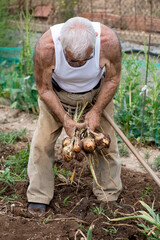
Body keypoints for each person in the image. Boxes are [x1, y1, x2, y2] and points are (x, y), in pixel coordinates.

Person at [27, 17, 122, 214]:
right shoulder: (47, 47)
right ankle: (38, 196)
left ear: (95, 41)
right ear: (61, 44)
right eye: (71, 60)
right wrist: (64, 119)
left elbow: (112, 79)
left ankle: (108, 195)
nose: (78, 65)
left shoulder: (108, 42)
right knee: (41, 144)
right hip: (56, 94)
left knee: (107, 144)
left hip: (96, 95)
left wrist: (96, 110)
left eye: (85, 59)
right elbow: (44, 89)